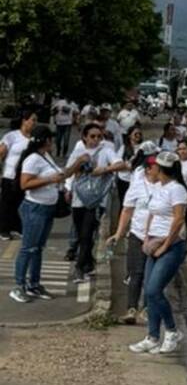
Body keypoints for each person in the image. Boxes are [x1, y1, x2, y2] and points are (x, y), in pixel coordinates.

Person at [10, 127, 83, 303]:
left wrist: (77, 164)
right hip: (34, 208)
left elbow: (63, 174)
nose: (53, 142)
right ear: (46, 141)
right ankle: (18, 285)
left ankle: (34, 284)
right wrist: (50, 180)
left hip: (47, 208)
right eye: (51, 139)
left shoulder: (45, 157)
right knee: (28, 248)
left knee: (37, 249)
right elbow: (24, 183)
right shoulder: (33, 159)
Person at [129, 151, 187, 355]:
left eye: (153, 167)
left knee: (155, 289)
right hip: (153, 241)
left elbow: (178, 219)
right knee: (149, 291)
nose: (149, 170)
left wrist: (165, 245)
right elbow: (151, 214)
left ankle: (172, 330)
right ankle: (153, 336)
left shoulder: (177, 190)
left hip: (171, 245)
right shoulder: (157, 188)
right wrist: (146, 238)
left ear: (161, 170)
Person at [107, 141, 160, 324]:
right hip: (137, 235)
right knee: (135, 273)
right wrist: (119, 234)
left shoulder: (167, 187)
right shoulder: (137, 185)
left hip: (157, 238)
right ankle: (131, 309)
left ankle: (147, 309)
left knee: (151, 276)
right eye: (153, 167)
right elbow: (127, 210)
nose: (156, 170)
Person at [67, 122, 126, 282]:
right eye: (92, 136)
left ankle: (79, 269)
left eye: (99, 136)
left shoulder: (106, 151)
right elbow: (68, 172)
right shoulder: (78, 151)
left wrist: (104, 169)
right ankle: (88, 264)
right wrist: (68, 188)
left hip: (96, 200)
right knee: (80, 234)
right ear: (84, 137)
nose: (96, 139)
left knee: (87, 234)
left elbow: (120, 164)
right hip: (79, 199)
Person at [0, 107, 38, 239]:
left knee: (19, 203)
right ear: (24, 121)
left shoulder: (35, 139)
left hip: (26, 177)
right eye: (32, 120)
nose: (34, 123)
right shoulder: (12, 136)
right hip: (10, 175)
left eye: (35, 120)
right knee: (6, 203)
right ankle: (4, 230)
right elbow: (1, 153)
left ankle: (16, 227)